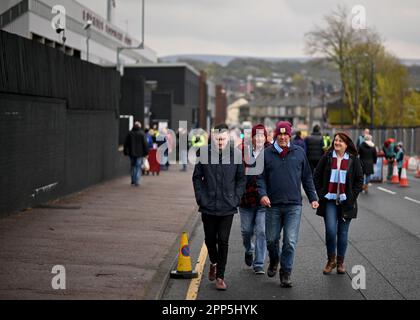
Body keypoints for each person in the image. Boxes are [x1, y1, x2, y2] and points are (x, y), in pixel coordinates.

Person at [257, 121, 319, 288]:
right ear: (276, 135)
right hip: (273, 205)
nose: (283, 137)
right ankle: (274, 260)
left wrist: (313, 197)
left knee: (290, 242)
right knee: (271, 240)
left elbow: (307, 177)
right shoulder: (266, 154)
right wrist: (262, 194)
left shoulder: (299, 152)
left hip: (293, 205)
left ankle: (286, 273)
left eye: (286, 134)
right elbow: (260, 178)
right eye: (280, 134)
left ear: (289, 135)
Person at [192, 123, 246, 290]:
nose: (220, 141)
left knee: (223, 240)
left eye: (223, 138)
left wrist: (236, 198)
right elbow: (197, 178)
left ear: (228, 137)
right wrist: (201, 198)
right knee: (210, 239)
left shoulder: (236, 154)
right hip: (208, 205)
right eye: (217, 139)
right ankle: (214, 262)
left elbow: (241, 179)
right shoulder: (203, 153)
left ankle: (220, 277)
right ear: (212, 138)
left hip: (227, 205)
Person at [313, 132, 363, 275]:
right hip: (329, 200)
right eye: (336, 140)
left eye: (340, 141)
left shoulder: (354, 159)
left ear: (346, 144)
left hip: (347, 202)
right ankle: (331, 260)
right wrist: (321, 193)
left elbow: (359, 180)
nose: (337, 143)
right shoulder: (327, 157)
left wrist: (352, 197)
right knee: (330, 231)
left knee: (342, 232)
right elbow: (316, 175)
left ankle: (340, 262)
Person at [239, 124, 271, 275]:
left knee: (262, 231)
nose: (258, 139)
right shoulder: (243, 152)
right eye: (256, 136)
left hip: (264, 200)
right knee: (246, 231)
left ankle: (259, 263)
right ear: (251, 138)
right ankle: (249, 249)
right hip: (246, 199)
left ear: (265, 137)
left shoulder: (271, 152)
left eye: (261, 136)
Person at [123, 121, 149, 186]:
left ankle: (133, 180)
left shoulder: (130, 133)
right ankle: (136, 181)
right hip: (140, 154)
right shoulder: (142, 133)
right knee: (138, 167)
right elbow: (145, 144)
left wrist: (125, 152)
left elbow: (126, 144)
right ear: (140, 126)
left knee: (133, 166)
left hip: (131, 153)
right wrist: (146, 153)